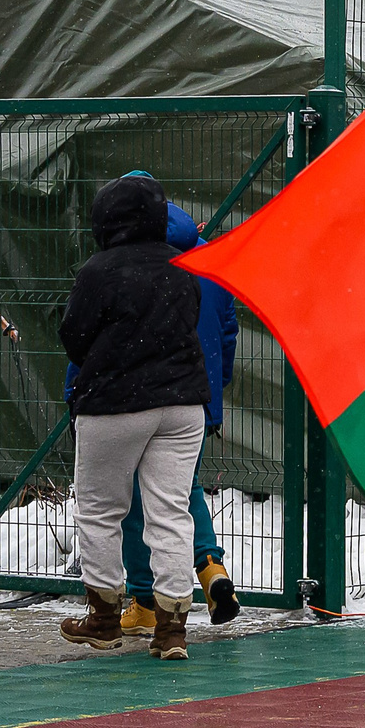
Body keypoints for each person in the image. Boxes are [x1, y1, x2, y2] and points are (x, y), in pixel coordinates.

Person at [57, 173, 210, 660]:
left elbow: (74, 338)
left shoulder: (98, 271)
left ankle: (103, 619)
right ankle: (172, 629)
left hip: (115, 405)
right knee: (171, 514)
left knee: (102, 512)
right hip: (183, 406)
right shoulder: (185, 266)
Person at [111, 195, 240, 634]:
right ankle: (210, 569)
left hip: (138, 397)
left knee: (134, 501)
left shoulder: (130, 261)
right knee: (184, 490)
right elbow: (227, 333)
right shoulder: (210, 262)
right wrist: (213, 390)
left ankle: (145, 601)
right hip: (197, 400)